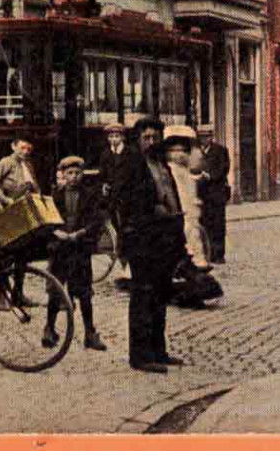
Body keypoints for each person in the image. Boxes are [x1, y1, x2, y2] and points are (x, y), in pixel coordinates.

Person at [112, 117, 186, 374]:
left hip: (164, 238)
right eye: (146, 138)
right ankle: (140, 356)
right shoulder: (131, 163)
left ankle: (159, 350)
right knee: (143, 296)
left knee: (160, 295)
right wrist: (147, 211)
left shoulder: (161, 164)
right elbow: (121, 199)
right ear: (138, 139)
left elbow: (173, 198)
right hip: (142, 239)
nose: (151, 142)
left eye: (155, 137)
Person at [45, 156, 107, 351]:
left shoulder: (90, 195)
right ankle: (49, 329)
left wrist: (81, 233)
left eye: (77, 173)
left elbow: (96, 221)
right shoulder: (55, 196)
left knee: (85, 293)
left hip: (80, 250)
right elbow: (47, 220)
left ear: (82, 174)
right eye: (69, 173)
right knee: (55, 291)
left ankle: (90, 333)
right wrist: (57, 233)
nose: (73, 177)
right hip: (60, 250)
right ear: (63, 175)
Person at [165, 125, 210, 271]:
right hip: (176, 203)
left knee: (190, 228)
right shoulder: (168, 169)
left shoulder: (184, 168)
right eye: (174, 150)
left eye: (182, 150)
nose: (179, 153)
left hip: (186, 203)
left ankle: (196, 259)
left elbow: (196, 168)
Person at [98, 120, 138, 287]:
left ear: (123, 137)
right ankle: (124, 266)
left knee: (129, 233)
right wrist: (104, 184)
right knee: (118, 233)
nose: (114, 139)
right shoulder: (105, 155)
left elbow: (134, 176)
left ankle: (131, 268)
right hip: (113, 201)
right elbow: (103, 175)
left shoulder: (131, 154)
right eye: (111, 136)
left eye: (117, 136)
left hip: (128, 200)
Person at [196, 125, 231, 264]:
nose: (204, 139)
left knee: (218, 224)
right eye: (202, 137)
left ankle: (218, 254)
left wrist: (210, 175)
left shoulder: (221, 151)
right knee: (204, 223)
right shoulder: (196, 152)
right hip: (202, 194)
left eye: (206, 136)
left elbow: (224, 168)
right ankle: (206, 253)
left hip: (216, 193)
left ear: (211, 137)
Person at [0, 131, 40, 206]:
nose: (25, 152)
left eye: (29, 149)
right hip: (11, 207)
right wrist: (6, 200)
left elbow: (35, 188)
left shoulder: (29, 165)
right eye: (22, 148)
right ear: (13, 146)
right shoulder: (7, 162)